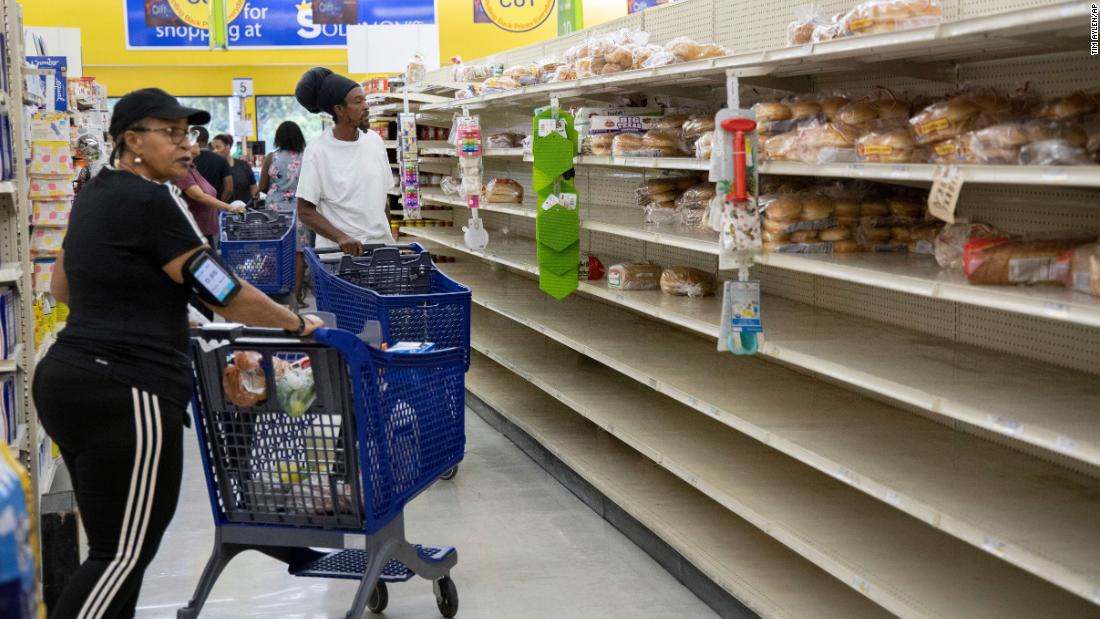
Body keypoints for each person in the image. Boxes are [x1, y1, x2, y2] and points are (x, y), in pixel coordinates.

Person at [33, 87, 323, 619]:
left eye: (187, 133)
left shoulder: (96, 192)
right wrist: (295, 321)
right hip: (126, 390)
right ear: (131, 140)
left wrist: (145, 298)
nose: (186, 146)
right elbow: (222, 289)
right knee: (123, 555)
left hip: (67, 378)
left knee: (112, 547)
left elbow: (61, 288)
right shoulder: (150, 201)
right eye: (170, 133)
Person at [294, 67, 394, 257]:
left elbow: (383, 201)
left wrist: (389, 240)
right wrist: (342, 238)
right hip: (338, 259)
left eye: (365, 99)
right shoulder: (317, 151)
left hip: (380, 251)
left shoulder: (375, 141)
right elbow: (305, 211)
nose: (366, 106)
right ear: (339, 109)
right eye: (358, 101)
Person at [258, 121, 309, 304]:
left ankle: (274, 295)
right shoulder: (307, 158)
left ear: (278, 137)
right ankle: (296, 297)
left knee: (273, 251)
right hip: (300, 210)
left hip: (274, 211)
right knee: (298, 253)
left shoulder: (272, 157)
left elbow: (262, 187)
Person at [175, 139, 245, 248]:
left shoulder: (192, 168)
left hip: (206, 228)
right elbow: (198, 195)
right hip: (196, 230)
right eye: (193, 141)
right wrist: (229, 207)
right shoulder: (183, 171)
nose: (198, 143)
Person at [211, 133, 258, 204]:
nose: (214, 151)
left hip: (245, 208)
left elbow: (253, 188)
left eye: (218, 147)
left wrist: (254, 203)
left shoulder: (244, 165)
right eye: (213, 148)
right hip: (223, 209)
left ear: (228, 147)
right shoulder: (213, 168)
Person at [191, 126, 233, 202]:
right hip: (214, 205)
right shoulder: (221, 160)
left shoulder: (186, 161)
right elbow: (229, 188)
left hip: (191, 206)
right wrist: (219, 204)